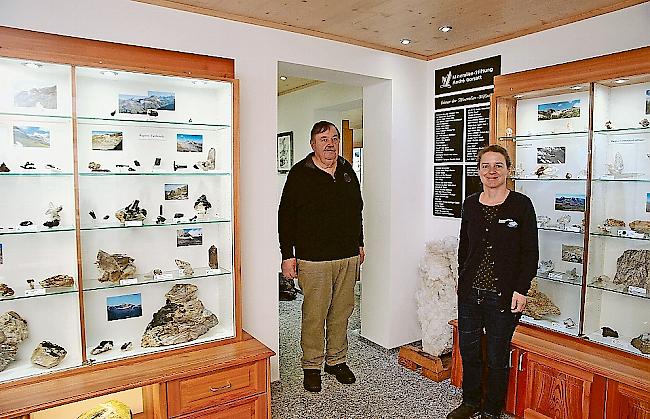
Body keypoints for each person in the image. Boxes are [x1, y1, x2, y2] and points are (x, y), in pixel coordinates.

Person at [448, 144, 538, 419]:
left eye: (498, 165)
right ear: (478, 172)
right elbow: (465, 246)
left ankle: (492, 409)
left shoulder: (521, 204)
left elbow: (530, 252)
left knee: (498, 355)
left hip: (503, 296)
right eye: (485, 165)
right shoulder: (471, 204)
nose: (492, 171)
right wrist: (461, 279)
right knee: (470, 350)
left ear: (508, 170)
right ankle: (471, 401)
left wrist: (521, 289)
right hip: (470, 294)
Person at [278, 120, 365, 393]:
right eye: (324, 138)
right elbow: (286, 217)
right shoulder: (299, 174)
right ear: (313, 143)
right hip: (313, 259)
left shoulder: (348, 170)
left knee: (342, 312)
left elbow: (356, 210)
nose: (330, 143)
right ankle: (312, 365)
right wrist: (287, 255)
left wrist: (359, 243)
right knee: (315, 314)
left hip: (347, 255)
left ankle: (336, 361)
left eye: (335, 138)